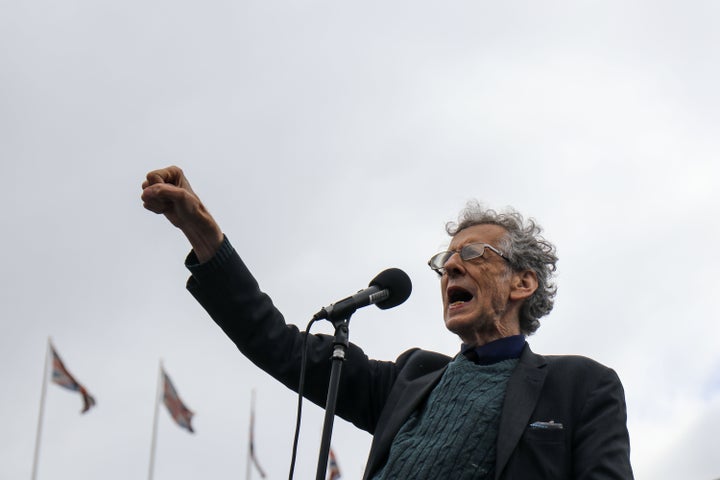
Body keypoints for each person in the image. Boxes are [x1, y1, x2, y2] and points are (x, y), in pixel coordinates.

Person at [141, 166, 634, 479]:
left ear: (523, 283)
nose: (451, 268)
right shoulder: (409, 381)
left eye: (472, 254)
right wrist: (204, 235)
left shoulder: (582, 387)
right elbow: (276, 343)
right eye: (445, 261)